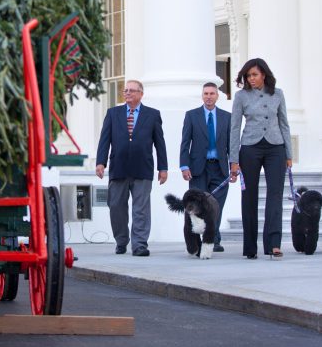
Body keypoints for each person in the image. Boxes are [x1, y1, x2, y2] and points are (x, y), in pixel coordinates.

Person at [96, 80, 168, 257]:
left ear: (141, 94)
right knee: (116, 206)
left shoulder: (152, 115)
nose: (127, 93)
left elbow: (160, 143)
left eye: (131, 91)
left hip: (143, 168)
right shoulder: (113, 113)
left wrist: (163, 168)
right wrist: (100, 162)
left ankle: (140, 244)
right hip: (118, 168)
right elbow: (104, 140)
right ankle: (121, 241)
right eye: (125, 90)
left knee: (141, 209)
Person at [229, 58, 292, 260]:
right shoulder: (241, 97)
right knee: (249, 197)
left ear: (264, 74)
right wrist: (234, 159)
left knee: (275, 195)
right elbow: (234, 128)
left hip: (276, 147)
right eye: (248, 75)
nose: (251, 79)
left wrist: (289, 154)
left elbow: (284, 124)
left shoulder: (278, 94)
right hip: (249, 147)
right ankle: (250, 247)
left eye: (254, 75)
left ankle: (273, 244)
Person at [179, 82, 231, 253]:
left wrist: (235, 165)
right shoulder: (192, 115)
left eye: (212, 93)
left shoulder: (226, 117)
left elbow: (231, 144)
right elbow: (185, 142)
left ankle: (214, 239)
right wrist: (184, 165)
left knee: (216, 206)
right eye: (206, 93)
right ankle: (195, 242)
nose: (209, 96)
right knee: (196, 207)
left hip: (220, 168)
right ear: (202, 96)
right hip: (198, 169)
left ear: (217, 96)